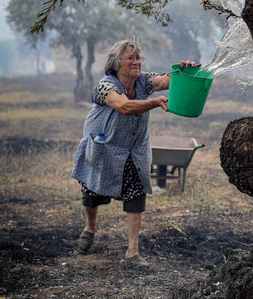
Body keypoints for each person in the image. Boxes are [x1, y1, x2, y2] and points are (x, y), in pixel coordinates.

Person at [70, 39, 198, 268]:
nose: (136, 62)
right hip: (104, 147)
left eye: (138, 58)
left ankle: (133, 252)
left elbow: (166, 81)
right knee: (92, 194)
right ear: (116, 63)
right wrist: (155, 102)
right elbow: (125, 107)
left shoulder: (144, 80)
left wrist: (181, 72)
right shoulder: (105, 86)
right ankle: (90, 227)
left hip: (134, 148)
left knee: (136, 193)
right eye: (130, 58)